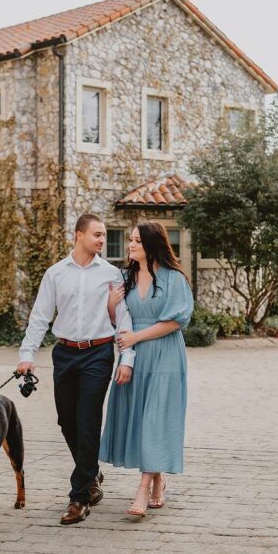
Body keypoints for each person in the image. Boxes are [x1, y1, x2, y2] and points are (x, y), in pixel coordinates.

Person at [17, 213, 135, 525]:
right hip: (65, 354)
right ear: (78, 235)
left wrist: (126, 359)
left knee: (87, 422)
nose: (102, 239)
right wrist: (26, 355)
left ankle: (79, 496)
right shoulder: (55, 274)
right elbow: (40, 318)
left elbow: (123, 321)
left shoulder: (112, 275)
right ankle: (90, 469)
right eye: (97, 234)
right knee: (66, 419)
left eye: (104, 234)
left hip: (98, 353)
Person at [100, 221, 193, 516]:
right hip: (134, 357)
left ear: (152, 244)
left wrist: (137, 337)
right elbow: (119, 321)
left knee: (154, 420)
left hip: (164, 354)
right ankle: (157, 479)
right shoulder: (125, 277)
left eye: (137, 241)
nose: (131, 245)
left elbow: (176, 321)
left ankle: (141, 491)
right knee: (140, 420)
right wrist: (112, 306)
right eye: (130, 240)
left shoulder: (174, 278)